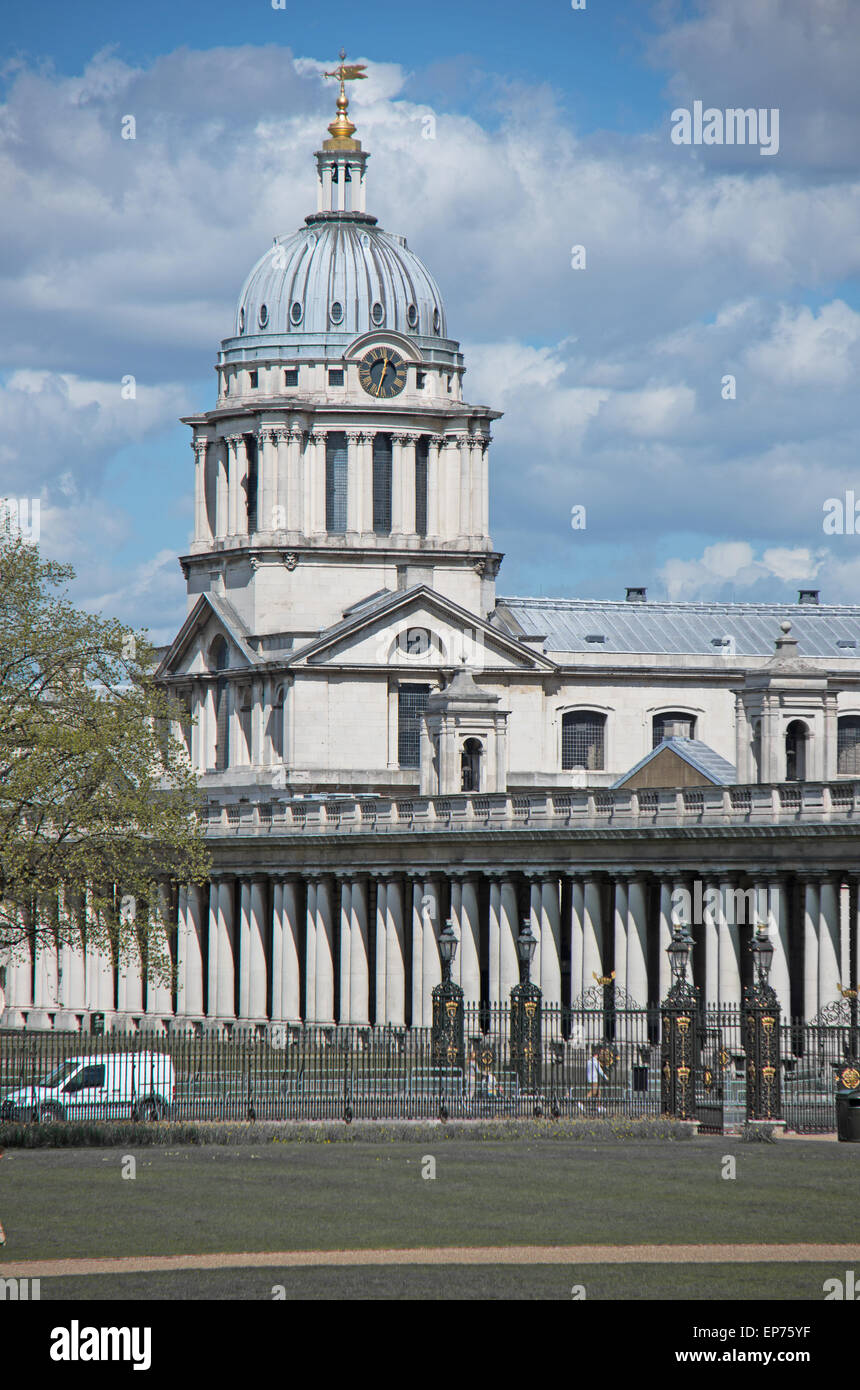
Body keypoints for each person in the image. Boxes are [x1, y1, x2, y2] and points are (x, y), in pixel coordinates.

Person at [585, 1045, 608, 1111]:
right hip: (594, 1079)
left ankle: (599, 1106)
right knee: (593, 1091)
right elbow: (600, 1070)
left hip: (590, 1078)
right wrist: (605, 1077)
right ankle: (582, 1102)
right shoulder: (595, 1061)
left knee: (598, 1093)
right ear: (597, 1054)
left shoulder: (589, 1061)